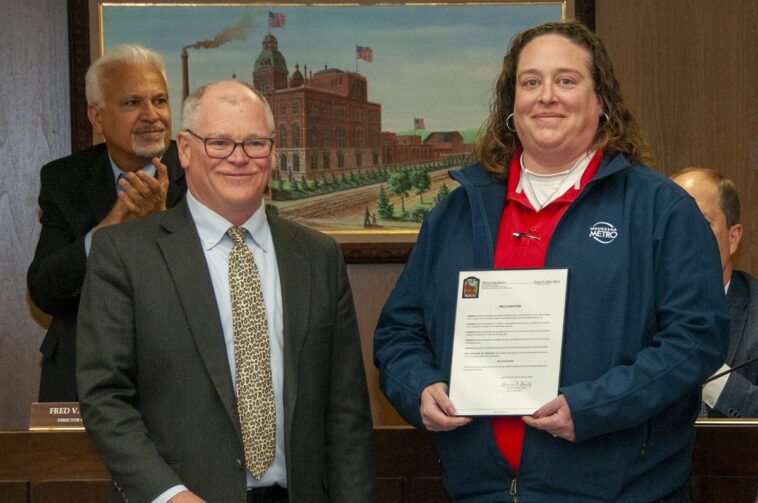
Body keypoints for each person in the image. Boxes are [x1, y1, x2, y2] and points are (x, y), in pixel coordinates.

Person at [374, 19, 728, 502]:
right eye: (530, 82)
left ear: (602, 102)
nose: (547, 96)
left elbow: (696, 338)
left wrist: (594, 407)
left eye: (566, 80)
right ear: (510, 105)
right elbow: (398, 333)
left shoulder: (659, 209)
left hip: (622, 492)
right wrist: (419, 388)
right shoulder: (458, 210)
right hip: (482, 491)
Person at [76, 80, 376, 502]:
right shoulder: (124, 255)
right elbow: (105, 398)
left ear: (271, 152)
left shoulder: (318, 256)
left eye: (255, 143)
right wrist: (168, 495)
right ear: (185, 149)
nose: (239, 158)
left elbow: (347, 415)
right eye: (219, 142)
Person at [27, 44, 186, 402]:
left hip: (180, 378)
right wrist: (107, 230)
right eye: (132, 103)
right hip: (82, 375)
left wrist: (160, 225)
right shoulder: (64, 179)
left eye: (159, 101)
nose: (152, 116)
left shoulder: (204, 174)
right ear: (96, 118)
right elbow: (44, 290)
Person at [672, 168, 758, 419]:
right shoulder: (631, 309)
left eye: (700, 223)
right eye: (671, 223)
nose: (682, 237)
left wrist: (708, 373)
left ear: (733, 238)